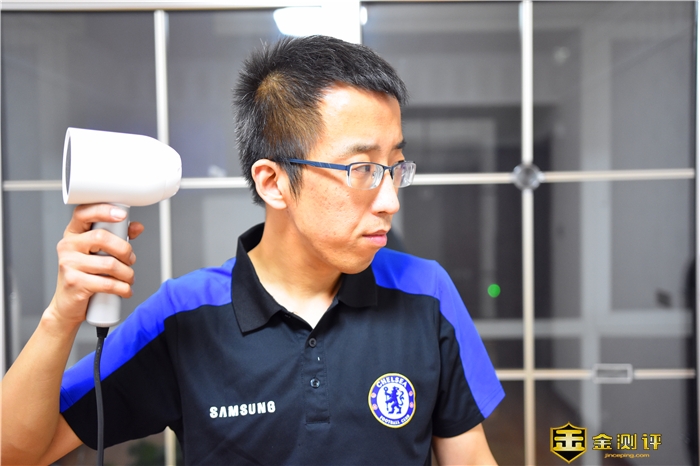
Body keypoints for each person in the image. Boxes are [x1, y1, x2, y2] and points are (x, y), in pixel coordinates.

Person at [2, 35, 504, 465]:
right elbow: (17, 453)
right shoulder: (184, 315)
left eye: (395, 167)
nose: (391, 200)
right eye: (363, 169)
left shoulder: (426, 292)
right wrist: (61, 316)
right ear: (273, 182)